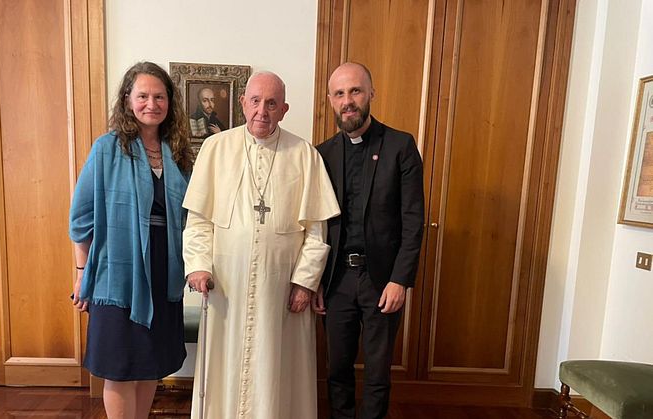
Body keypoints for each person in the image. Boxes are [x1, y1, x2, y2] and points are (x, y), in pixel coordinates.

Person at [183, 71, 340, 419]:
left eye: (271, 103)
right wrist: (197, 264)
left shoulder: (304, 154)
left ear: (283, 109)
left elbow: (317, 230)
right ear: (243, 103)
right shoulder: (215, 148)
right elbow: (198, 221)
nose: (262, 111)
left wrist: (304, 282)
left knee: (277, 370)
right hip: (227, 286)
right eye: (255, 101)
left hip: (281, 290)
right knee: (225, 365)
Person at [69, 61, 194, 419]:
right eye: (142, 96)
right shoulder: (107, 148)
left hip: (164, 268)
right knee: (121, 366)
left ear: (170, 103)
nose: (151, 104)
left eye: (159, 96)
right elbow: (81, 218)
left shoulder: (178, 152)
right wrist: (82, 273)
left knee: (149, 363)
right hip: (117, 272)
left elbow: (192, 214)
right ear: (127, 99)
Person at [314, 62, 425, 419]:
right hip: (337, 281)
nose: (348, 101)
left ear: (371, 94)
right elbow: (315, 224)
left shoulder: (400, 146)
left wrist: (401, 280)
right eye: (340, 94)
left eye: (356, 91)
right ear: (331, 100)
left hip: (382, 279)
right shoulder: (321, 154)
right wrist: (315, 280)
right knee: (337, 371)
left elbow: (413, 221)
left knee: (377, 374)